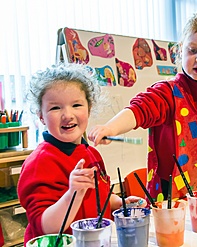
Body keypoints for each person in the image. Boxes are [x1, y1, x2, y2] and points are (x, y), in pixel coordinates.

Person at [88, 11, 197, 203]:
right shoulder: (167, 94)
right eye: (192, 50)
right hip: (170, 201)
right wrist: (110, 128)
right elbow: (138, 111)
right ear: (180, 50)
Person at [17, 63, 144, 245]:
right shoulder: (38, 163)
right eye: (55, 108)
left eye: (76, 105)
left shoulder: (91, 153)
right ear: (41, 116)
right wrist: (73, 194)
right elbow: (46, 228)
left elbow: (98, 195)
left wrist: (117, 202)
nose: (67, 115)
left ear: (89, 109)